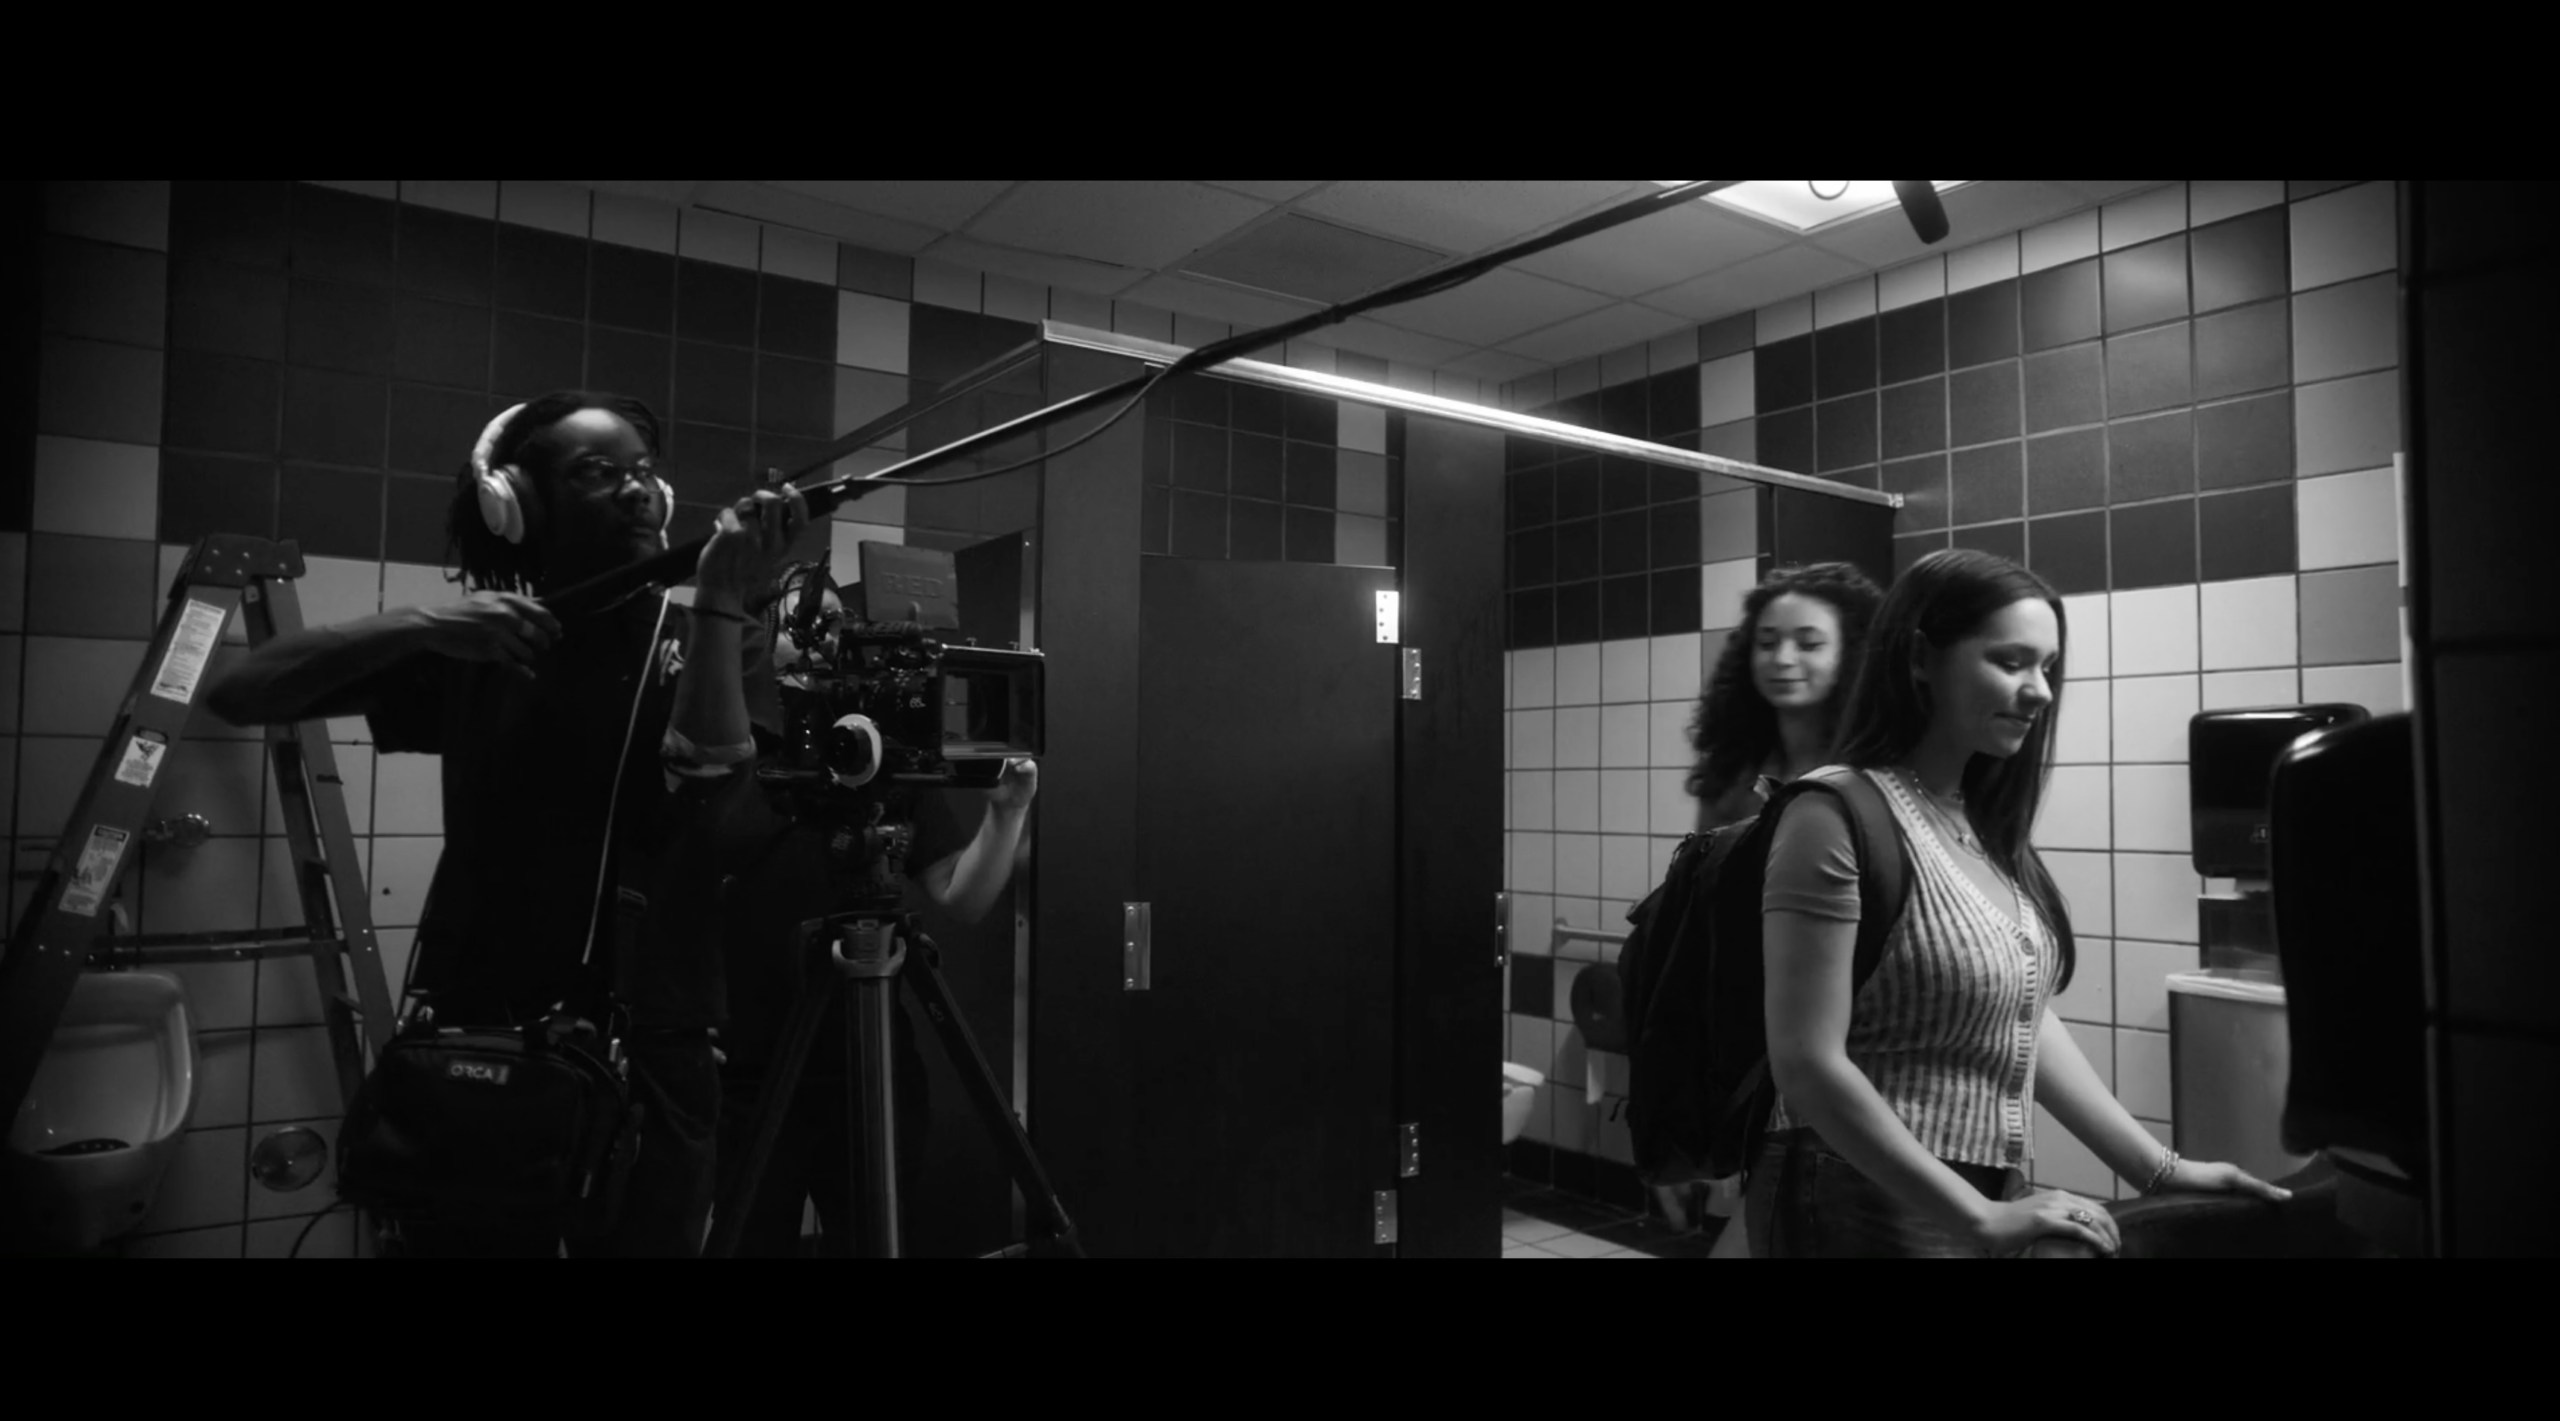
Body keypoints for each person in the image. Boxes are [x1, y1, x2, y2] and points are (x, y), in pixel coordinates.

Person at [1745, 549, 2290, 1257]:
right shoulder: (1833, 812)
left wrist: (2157, 1168)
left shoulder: (1977, 822)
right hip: (1859, 1197)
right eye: (2010, 661)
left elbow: (2021, 1010)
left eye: (2048, 667)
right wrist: (1976, 1216)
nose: (2039, 691)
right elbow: (1806, 1063)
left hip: (1974, 1192)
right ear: (1919, 657)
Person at [1680, 561, 1882, 1257]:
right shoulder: (1734, 774)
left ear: (1852, 651)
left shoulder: (1875, 774)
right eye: (1768, 641)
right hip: (1750, 1037)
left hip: (1859, 1043)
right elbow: (1695, 919)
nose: (1784, 658)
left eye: (1808, 640)